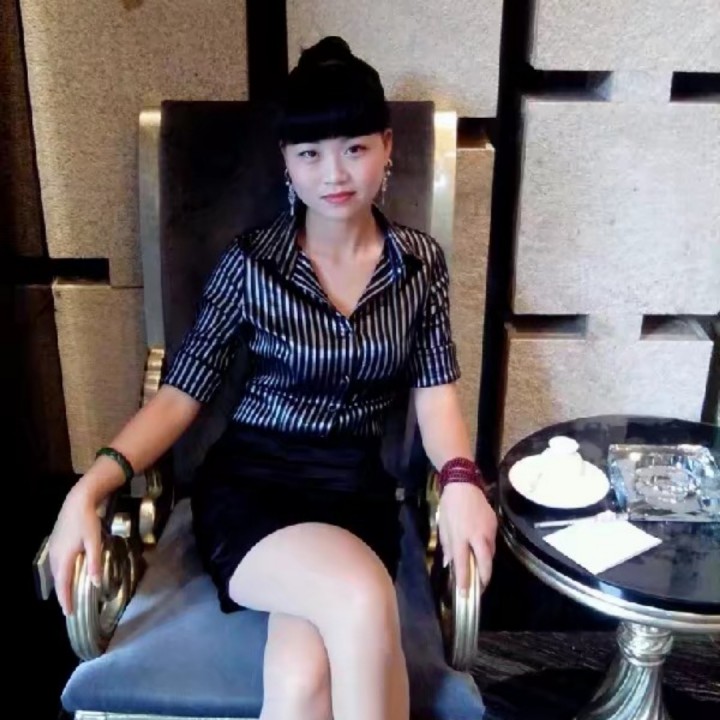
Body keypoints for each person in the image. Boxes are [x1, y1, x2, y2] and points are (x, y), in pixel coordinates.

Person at [47, 36, 497, 720]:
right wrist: (90, 486)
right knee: (360, 596)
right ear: (286, 162)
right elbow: (179, 394)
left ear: (387, 147)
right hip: (255, 487)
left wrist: (461, 480)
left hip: (355, 492)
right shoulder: (250, 264)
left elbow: (436, 396)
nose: (333, 172)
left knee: (301, 681)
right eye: (309, 152)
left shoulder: (419, 265)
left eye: (354, 147)